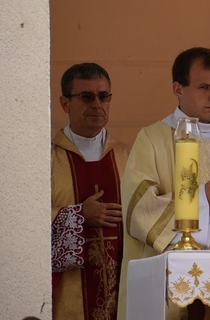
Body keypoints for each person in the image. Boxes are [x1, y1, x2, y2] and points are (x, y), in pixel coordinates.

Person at [117, 47, 210, 320]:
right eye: (204, 87)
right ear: (178, 89)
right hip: (175, 287)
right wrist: (200, 199)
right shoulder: (153, 139)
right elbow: (138, 208)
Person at [51, 62, 129, 319]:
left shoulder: (127, 156)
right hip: (68, 296)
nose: (97, 104)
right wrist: (78, 215)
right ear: (65, 104)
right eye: (86, 96)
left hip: (123, 288)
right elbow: (24, 220)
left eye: (103, 96)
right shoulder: (47, 158)